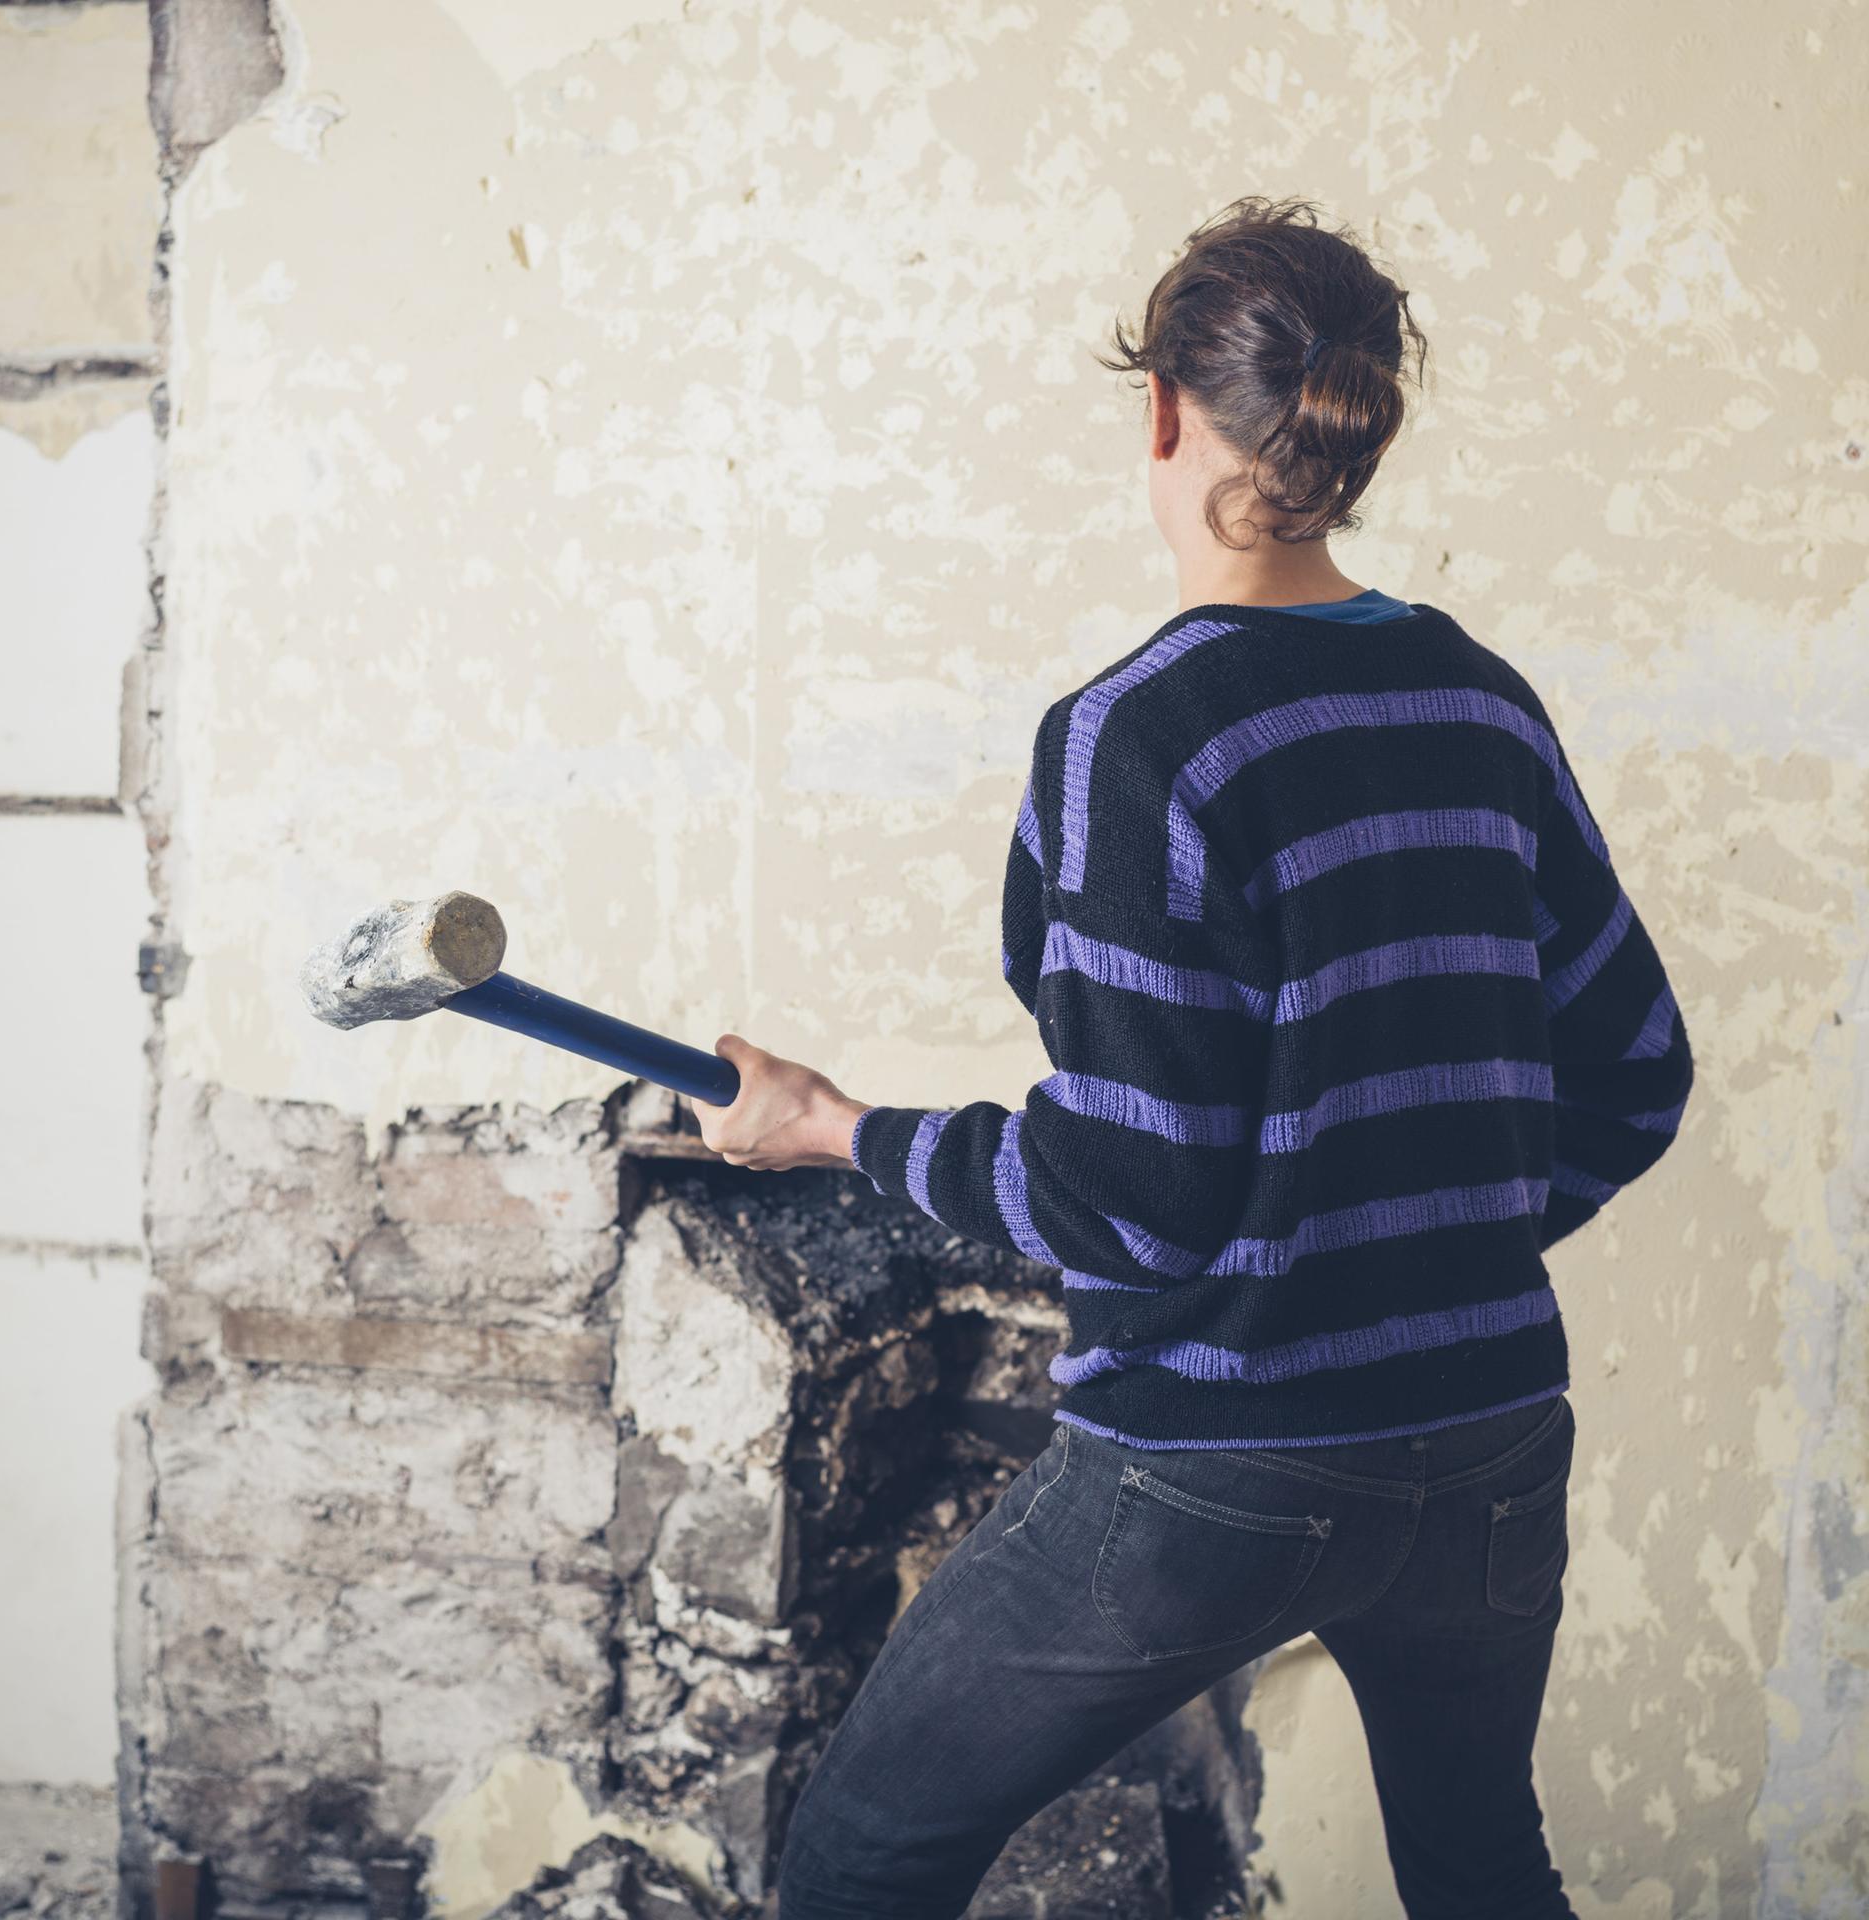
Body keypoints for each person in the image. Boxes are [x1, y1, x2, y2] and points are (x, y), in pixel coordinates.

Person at [690, 194, 1694, 1920]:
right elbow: (1637, 1068)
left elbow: (1128, 1200)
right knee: (1483, 1865)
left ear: (1162, 409)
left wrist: (834, 1126)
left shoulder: (1137, 738)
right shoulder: (1481, 703)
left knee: (864, 1855)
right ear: (1354, 424)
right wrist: (1423, 1247)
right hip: (1490, 1441)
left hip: (1216, 1468)